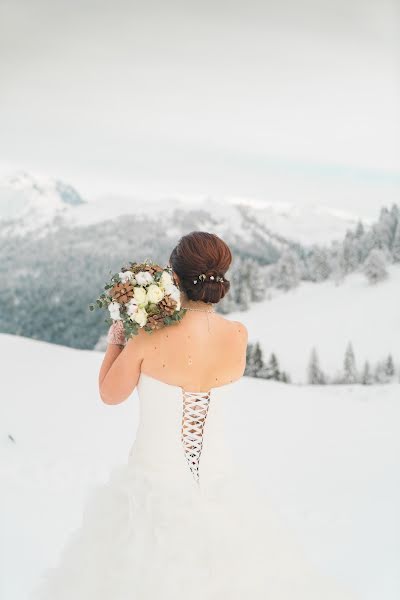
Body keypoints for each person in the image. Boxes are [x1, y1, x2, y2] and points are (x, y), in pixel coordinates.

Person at [31, 231, 358, 600]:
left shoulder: (149, 338)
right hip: (220, 488)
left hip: (151, 491)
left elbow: (110, 394)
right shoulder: (238, 335)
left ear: (174, 278)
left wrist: (118, 338)